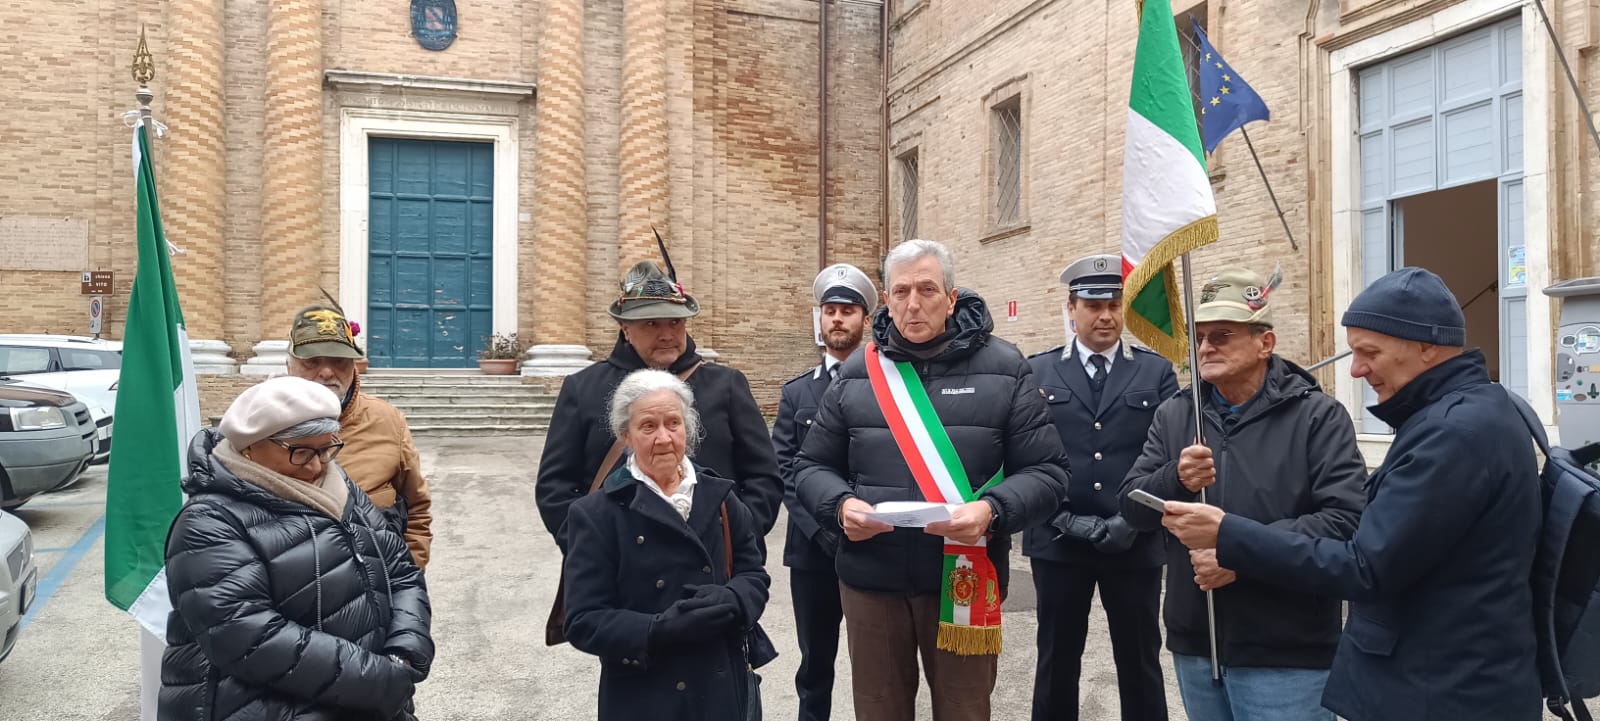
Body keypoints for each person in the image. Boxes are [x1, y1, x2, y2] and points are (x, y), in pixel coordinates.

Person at [1161, 267, 1543, 721]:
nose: (1357, 369)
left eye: (1368, 352)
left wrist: (1230, 537)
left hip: (1446, 689)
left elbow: (1364, 563)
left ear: (1426, 347)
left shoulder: (1452, 433)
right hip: (1445, 677)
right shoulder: (1460, 414)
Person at [795, 238, 1070, 721]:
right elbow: (810, 467)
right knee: (878, 711)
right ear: (886, 298)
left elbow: (1048, 472)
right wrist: (839, 507)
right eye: (900, 291)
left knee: (965, 710)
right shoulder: (860, 373)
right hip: (871, 581)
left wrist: (993, 511)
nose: (913, 303)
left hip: (962, 575)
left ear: (952, 297)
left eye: (926, 289)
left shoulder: (1006, 368)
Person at [1119, 266, 1366, 721]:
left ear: (1264, 343)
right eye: (1200, 336)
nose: (1206, 347)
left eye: (1223, 335)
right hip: (1197, 643)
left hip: (1287, 650)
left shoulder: (1318, 418)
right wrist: (1175, 477)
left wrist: (1239, 552)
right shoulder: (1178, 415)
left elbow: (1344, 522)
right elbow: (1132, 507)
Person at [160, 376, 432, 721]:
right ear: (249, 446)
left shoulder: (340, 488)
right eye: (301, 452)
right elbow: (244, 635)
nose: (317, 466)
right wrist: (375, 678)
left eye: (326, 449)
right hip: (262, 707)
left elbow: (400, 570)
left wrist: (405, 651)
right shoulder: (209, 521)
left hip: (368, 697)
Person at [562, 369, 771, 721]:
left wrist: (734, 598)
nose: (663, 438)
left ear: (687, 429)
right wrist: (656, 629)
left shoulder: (722, 498)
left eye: (673, 423)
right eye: (648, 426)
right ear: (626, 436)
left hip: (719, 687)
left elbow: (754, 575)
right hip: (643, 694)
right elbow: (583, 620)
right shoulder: (596, 513)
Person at [536, 260, 783, 550]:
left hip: (711, 562)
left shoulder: (726, 385)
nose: (667, 334)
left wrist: (736, 539)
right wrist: (590, 547)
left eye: (675, 322)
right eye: (652, 323)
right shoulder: (583, 388)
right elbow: (555, 487)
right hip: (617, 570)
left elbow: (763, 477)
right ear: (625, 329)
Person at [1024, 254, 1177, 721]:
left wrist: (1133, 519)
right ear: (1071, 309)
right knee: (1056, 660)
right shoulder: (1037, 373)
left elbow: (1170, 459)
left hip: (1132, 543)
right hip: (1059, 541)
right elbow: (1024, 456)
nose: (1105, 315)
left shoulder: (1155, 373)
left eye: (1114, 304)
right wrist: (1063, 519)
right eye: (1093, 305)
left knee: (1139, 661)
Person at [772, 263, 877, 721]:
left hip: (876, 546)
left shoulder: (888, 387)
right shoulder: (797, 394)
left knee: (877, 665)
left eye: (848, 311)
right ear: (820, 318)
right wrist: (825, 529)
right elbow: (785, 469)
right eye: (829, 310)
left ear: (865, 321)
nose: (837, 319)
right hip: (813, 554)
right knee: (815, 663)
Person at [285, 304, 433, 568]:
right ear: (289, 365)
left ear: (354, 366)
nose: (327, 372)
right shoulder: (257, 428)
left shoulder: (388, 421)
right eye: (312, 361)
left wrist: (409, 580)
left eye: (339, 360)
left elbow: (417, 511)